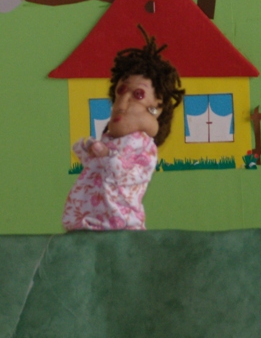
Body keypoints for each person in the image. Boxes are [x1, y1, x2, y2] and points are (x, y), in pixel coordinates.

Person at [62, 29, 184, 231]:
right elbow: (95, 170)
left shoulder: (145, 146)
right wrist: (90, 152)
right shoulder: (110, 138)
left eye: (138, 94)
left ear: (156, 106)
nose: (123, 101)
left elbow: (130, 174)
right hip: (89, 221)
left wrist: (106, 155)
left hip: (121, 225)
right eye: (121, 91)